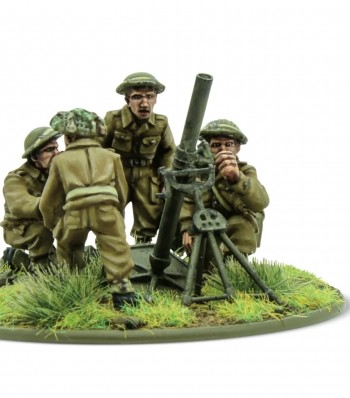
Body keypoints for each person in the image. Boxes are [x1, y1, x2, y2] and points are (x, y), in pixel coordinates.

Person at [39, 108, 138, 308]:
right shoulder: (112, 157)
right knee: (116, 247)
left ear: (69, 137)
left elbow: (48, 200)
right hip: (106, 210)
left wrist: (52, 223)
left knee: (68, 247)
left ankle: (74, 285)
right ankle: (122, 290)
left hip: (74, 213)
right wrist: (117, 214)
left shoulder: (60, 160)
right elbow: (122, 191)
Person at [102, 72, 176, 243]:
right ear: (127, 100)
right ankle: (111, 249)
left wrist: (167, 178)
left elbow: (169, 152)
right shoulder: (113, 120)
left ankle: (143, 247)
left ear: (156, 99)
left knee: (149, 212)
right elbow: (99, 148)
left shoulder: (161, 123)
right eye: (137, 97)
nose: (144, 103)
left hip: (146, 174)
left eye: (149, 96)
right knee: (109, 212)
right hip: (118, 173)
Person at [180, 119, 269, 256]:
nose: (223, 149)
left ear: (237, 147)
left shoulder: (246, 171)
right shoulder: (197, 172)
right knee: (204, 260)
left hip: (235, 228)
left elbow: (261, 202)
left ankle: (236, 265)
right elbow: (187, 201)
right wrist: (187, 228)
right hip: (205, 225)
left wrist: (237, 179)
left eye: (229, 144)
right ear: (207, 148)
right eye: (216, 145)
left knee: (241, 225)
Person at [0, 126, 61, 269]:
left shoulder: (56, 171)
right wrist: (53, 204)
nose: (56, 153)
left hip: (50, 221)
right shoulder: (16, 178)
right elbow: (19, 205)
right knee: (41, 231)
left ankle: (58, 259)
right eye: (49, 150)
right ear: (34, 157)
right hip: (21, 229)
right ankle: (38, 269)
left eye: (56, 148)